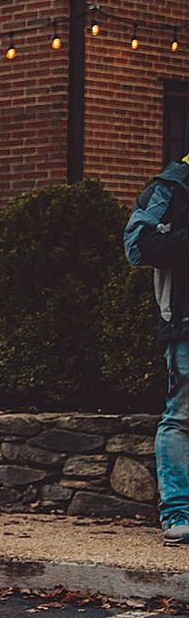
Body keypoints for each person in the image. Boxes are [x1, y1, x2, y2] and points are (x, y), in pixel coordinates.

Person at [125, 152, 189, 543]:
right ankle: (178, 513)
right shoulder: (170, 188)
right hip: (185, 324)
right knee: (181, 416)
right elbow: (137, 244)